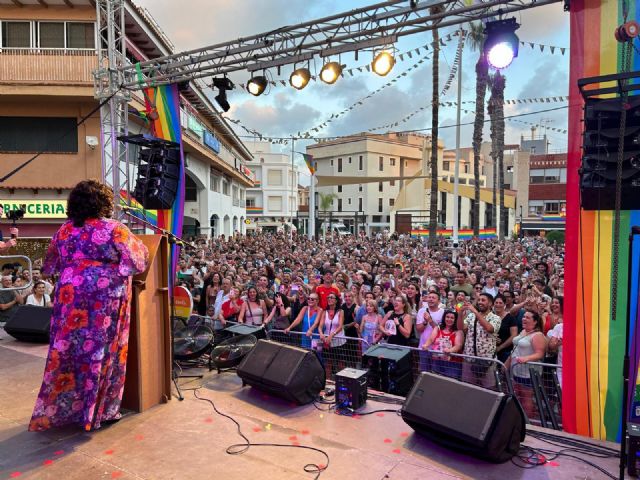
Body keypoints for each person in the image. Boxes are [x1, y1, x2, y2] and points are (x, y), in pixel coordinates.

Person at [29, 180, 148, 432]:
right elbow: (137, 261)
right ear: (104, 202)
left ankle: (63, 410)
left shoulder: (64, 230)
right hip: (104, 297)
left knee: (68, 351)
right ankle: (100, 411)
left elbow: (49, 265)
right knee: (102, 351)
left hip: (70, 296)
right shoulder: (115, 229)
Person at [506, 310, 547, 418]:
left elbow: (540, 354)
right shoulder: (523, 332)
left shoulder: (538, 335)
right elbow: (515, 350)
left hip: (529, 372)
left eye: (528, 317)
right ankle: (518, 419)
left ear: (535, 322)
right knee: (518, 395)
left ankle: (528, 423)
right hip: (516, 371)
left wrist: (526, 358)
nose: (524, 319)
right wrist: (507, 363)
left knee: (526, 397)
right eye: (524, 316)